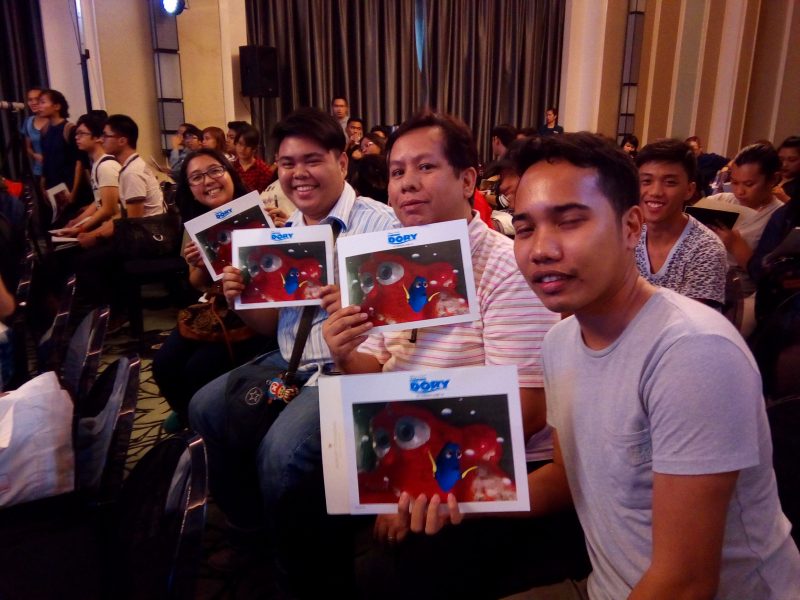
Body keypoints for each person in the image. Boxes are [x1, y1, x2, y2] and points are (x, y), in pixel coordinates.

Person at [408, 132, 800, 599]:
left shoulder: (693, 353)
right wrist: (456, 495)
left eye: (570, 222)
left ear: (631, 227)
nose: (541, 249)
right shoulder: (560, 342)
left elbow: (686, 582)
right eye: (526, 228)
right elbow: (566, 477)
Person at [323, 112, 585, 599]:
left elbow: (525, 412)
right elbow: (372, 368)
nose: (407, 183)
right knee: (316, 504)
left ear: (467, 181)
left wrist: (418, 482)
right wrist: (343, 353)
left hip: (489, 460)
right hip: (406, 437)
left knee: (395, 571)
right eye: (397, 172)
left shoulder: (507, 266)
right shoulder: (387, 264)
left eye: (425, 167)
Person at [188, 107, 398, 588]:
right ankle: (250, 527)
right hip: (289, 362)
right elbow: (270, 325)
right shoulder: (282, 233)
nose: (297, 173)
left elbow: (400, 329)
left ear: (341, 162)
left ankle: (301, 574)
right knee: (204, 408)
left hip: (347, 371)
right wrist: (238, 297)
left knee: (281, 455)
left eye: (311, 160)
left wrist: (356, 305)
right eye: (286, 163)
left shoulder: (382, 227)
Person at [152, 148, 277, 430]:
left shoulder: (262, 211)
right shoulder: (196, 226)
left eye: (214, 171)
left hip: (258, 309)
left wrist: (281, 232)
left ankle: (206, 424)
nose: (208, 181)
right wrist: (199, 265)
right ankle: (189, 416)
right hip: (217, 307)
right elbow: (197, 283)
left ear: (229, 173)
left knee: (198, 368)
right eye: (196, 177)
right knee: (163, 363)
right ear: (190, 189)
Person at [634, 139, 727, 307]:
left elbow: (692, 318)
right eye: (646, 181)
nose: (655, 192)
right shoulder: (629, 237)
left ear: (689, 190)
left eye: (670, 182)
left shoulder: (706, 249)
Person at [705, 143, 784, 295]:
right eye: (734, 182)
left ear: (772, 180)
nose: (739, 191)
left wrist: (735, 245)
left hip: (740, 290)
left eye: (749, 184)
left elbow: (768, 276)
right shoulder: (720, 201)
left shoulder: (780, 216)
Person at [59, 111, 121, 248]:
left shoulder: (106, 166)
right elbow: (99, 200)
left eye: (81, 133)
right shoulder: (97, 164)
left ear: (98, 137)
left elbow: (109, 209)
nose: (77, 137)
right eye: (76, 133)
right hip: (109, 227)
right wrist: (76, 222)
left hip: (116, 231)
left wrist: (81, 229)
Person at [38, 89, 86, 226]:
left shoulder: (70, 129)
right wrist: (42, 185)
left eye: (43, 102)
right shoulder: (44, 130)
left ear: (57, 106)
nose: (39, 106)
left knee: (71, 224)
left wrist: (74, 192)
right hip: (51, 188)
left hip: (69, 187)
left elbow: (79, 163)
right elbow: (45, 160)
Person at [233, 126, 274, 193]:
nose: (242, 149)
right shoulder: (231, 166)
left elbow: (264, 195)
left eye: (247, 145)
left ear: (254, 148)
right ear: (235, 143)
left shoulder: (263, 170)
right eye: (240, 144)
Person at [19, 87, 47, 181]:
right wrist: (35, 155)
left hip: (57, 170)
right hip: (39, 171)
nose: (33, 102)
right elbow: (28, 148)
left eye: (37, 99)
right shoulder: (28, 122)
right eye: (30, 100)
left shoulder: (53, 121)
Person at [774, 135, 800, 204]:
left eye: (792, 160)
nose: (784, 164)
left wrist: (785, 198)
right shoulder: (773, 177)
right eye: (781, 159)